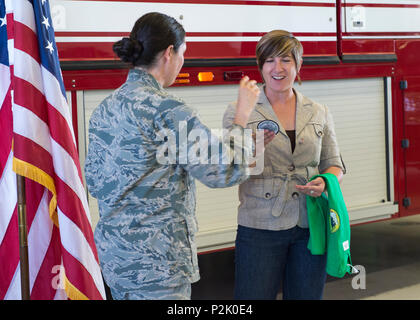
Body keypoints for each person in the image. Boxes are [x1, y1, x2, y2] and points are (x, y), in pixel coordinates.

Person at [83, 12, 272, 300]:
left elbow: (95, 183)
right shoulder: (169, 109)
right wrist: (241, 117)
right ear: (169, 53)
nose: (183, 60)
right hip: (158, 266)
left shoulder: (105, 108)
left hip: (115, 259)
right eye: (184, 52)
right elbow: (223, 171)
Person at [223, 30, 346, 300]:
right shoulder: (240, 111)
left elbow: (334, 164)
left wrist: (325, 181)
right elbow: (229, 170)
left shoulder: (318, 110)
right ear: (260, 66)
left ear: (298, 65)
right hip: (259, 227)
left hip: (309, 224)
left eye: (286, 60)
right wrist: (255, 150)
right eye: (269, 61)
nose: (277, 68)